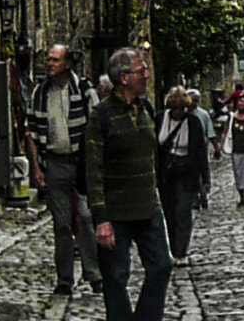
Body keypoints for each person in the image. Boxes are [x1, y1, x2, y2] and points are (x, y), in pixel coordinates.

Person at [87, 47, 173, 321]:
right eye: (141, 71)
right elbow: (93, 170)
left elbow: (153, 157)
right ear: (124, 77)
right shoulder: (100, 117)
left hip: (147, 206)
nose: (147, 75)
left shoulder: (146, 108)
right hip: (116, 212)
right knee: (115, 276)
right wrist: (101, 219)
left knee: (161, 266)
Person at [23, 44, 101, 295]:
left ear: (68, 63)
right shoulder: (40, 93)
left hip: (82, 162)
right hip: (55, 162)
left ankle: (93, 273)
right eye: (48, 59)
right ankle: (64, 279)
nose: (50, 64)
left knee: (87, 218)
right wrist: (36, 168)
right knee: (62, 223)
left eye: (55, 60)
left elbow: (97, 127)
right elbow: (31, 132)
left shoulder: (84, 90)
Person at [155, 87, 208, 265]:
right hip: (166, 174)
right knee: (169, 213)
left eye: (181, 109)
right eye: (174, 108)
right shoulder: (160, 119)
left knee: (183, 211)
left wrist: (205, 179)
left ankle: (181, 252)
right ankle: (173, 248)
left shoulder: (193, 122)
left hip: (187, 173)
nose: (177, 112)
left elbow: (201, 152)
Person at [187, 89, 215, 209]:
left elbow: (209, 132)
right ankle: (194, 198)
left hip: (201, 148)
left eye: (196, 101)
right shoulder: (183, 114)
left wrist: (216, 146)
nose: (194, 103)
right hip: (187, 150)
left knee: (202, 172)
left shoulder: (203, 114)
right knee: (191, 174)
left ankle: (203, 195)